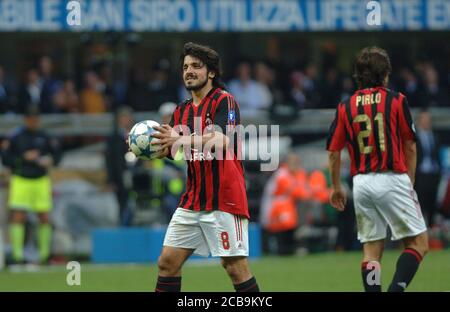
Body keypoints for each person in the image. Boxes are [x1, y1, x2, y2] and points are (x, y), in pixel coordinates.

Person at [150, 42, 259, 292]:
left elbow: (222, 140)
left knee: (234, 267)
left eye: (196, 66)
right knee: (167, 263)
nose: (189, 71)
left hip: (225, 200)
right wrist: (148, 146)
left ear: (211, 72)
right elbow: (172, 149)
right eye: (186, 67)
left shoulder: (225, 101)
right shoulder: (182, 110)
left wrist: (182, 139)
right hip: (192, 201)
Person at [326, 47, 428, 292]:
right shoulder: (396, 100)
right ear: (385, 74)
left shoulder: (345, 106)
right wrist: (409, 178)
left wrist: (336, 187)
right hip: (391, 177)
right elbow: (410, 145)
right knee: (418, 244)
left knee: (371, 250)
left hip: (361, 183)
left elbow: (332, 151)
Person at [1, 106, 61, 264]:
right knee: (18, 216)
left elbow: (58, 155)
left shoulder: (45, 136)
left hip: (41, 180)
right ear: (26, 119)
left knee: (44, 217)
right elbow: (6, 159)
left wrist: (51, 160)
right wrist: (23, 158)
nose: (33, 121)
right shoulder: (16, 137)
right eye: (31, 118)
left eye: (36, 118)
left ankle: (44, 255)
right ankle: (17, 256)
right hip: (21, 180)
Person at [105, 106, 134, 226]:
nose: (126, 120)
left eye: (128, 117)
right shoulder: (113, 138)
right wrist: (111, 180)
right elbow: (110, 160)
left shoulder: (137, 135)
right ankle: (123, 227)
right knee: (122, 204)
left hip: (135, 175)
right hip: (120, 177)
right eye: (124, 117)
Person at [415, 109, 441, 227]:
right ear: (419, 121)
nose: (427, 122)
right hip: (421, 175)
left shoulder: (435, 136)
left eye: (428, 120)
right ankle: (421, 229)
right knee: (421, 204)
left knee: (433, 204)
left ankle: (431, 230)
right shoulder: (414, 137)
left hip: (433, 174)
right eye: (424, 119)